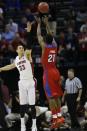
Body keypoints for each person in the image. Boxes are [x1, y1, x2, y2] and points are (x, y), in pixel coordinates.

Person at [0, 43, 37, 131]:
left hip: (30, 81)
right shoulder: (16, 59)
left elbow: (29, 44)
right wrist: (1, 69)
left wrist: (30, 31)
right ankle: (22, 126)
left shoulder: (27, 56)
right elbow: (10, 66)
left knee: (32, 105)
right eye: (19, 48)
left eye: (22, 48)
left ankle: (34, 125)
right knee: (22, 105)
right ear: (16, 51)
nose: (21, 49)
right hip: (22, 82)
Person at [36, 16, 64, 129]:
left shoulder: (44, 47)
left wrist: (38, 23)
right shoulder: (55, 46)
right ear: (51, 39)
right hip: (55, 70)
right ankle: (59, 116)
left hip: (47, 72)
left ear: (44, 40)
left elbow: (38, 35)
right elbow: (49, 34)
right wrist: (46, 23)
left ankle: (55, 119)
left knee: (51, 97)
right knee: (57, 96)